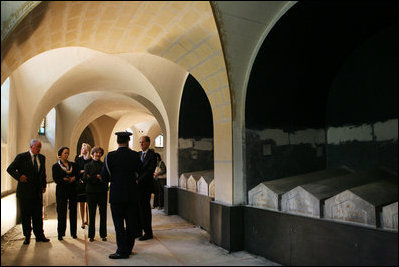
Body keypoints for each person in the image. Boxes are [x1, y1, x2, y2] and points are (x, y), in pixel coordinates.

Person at [101, 131, 141, 259]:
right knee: (130, 223)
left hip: (116, 194)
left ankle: (121, 250)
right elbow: (140, 172)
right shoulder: (135, 155)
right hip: (132, 194)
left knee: (118, 224)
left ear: (117, 142)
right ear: (128, 141)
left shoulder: (110, 156)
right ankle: (128, 248)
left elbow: (105, 176)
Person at [7, 139, 50, 244]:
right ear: (31, 147)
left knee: (38, 215)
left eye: (40, 147)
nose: (39, 149)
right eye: (37, 147)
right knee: (26, 215)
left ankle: (39, 235)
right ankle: (27, 236)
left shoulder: (42, 158)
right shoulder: (21, 157)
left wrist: (44, 185)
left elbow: (43, 173)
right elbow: (10, 169)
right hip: (25, 192)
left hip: (37, 192)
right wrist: (19, 176)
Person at [52, 146, 79, 240]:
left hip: (72, 190)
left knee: (73, 211)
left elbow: (77, 174)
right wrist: (64, 179)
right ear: (60, 155)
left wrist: (74, 178)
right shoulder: (56, 166)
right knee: (61, 212)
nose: (67, 154)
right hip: (61, 191)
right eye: (65, 153)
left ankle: (74, 232)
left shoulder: (73, 165)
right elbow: (56, 178)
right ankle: (60, 233)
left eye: (68, 153)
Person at [83, 146, 108, 242]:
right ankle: (91, 235)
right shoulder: (87, 165)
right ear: (92, 154)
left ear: (101, 154)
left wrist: (92, 177)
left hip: (102, 192)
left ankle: (103, 234)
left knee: (103, 214)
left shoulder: (104, 165)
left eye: (99, 152)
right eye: (96, 152)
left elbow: (105, 178)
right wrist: (97, 177)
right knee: (92, 214)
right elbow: (85, 178)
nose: (98, 154)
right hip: (91, 192)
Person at [137, 136, 157, 241]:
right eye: (140, 142)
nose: (141, 144)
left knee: (145, 209)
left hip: (146, 186)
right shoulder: (138, 154)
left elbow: (149, 171)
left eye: (143, 142)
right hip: (137, 187)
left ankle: (148, 232)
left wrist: (138, 180)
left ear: (148, 143)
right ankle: (139, 230)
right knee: (138, 209)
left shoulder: (152, 155)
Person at [75, 143, 91, 229]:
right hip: (80, 183)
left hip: (88, 183)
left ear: (88, 149)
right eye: (82, 148)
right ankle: (82, 221)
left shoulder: (91, 160)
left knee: (88, 203)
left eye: (84, 148)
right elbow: (76, 170)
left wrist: (85, 172)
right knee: (81, 203)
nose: (82, 149)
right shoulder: (78, 159)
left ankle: (88, 220)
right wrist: (81, 172)